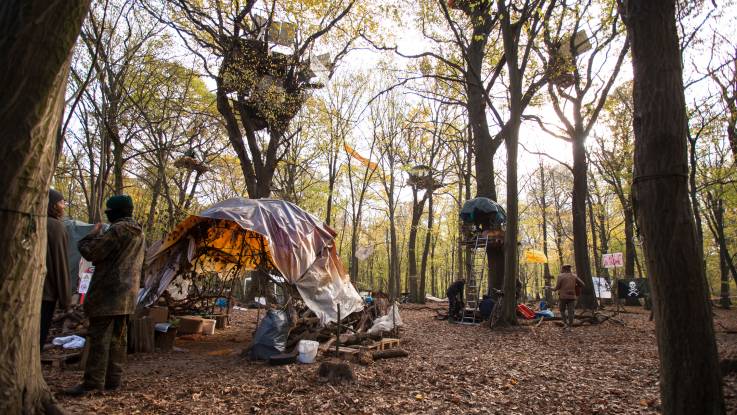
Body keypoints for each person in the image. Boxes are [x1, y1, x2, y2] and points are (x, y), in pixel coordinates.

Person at [65, 195, 145, 396]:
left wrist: (90, 236)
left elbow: (92, 253)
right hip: (127, 296)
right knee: (118, 340)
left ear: (116, 211)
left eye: (109, 209)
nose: (107, 212)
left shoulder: (117, 231)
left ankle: (92, 384)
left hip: (107, 295)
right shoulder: (139, 232)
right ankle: (113, 380)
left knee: (100, 340)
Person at [40, 189, 71, 349]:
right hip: (46, 294)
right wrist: (65, 298)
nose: (63, 206)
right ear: (52, 205)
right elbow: (60, 264)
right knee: (38, 336)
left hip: (26, 291)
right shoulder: (55, 227)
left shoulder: (31, 221)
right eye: (61, 202)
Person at [553, 264, 585, 330]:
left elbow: (556, 288)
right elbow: (582, 284)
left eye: (562, 269)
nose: (561, 270)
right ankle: (570, 326)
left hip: (563, 297)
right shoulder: (574, 276)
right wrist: (576, 286)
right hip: (572, 296)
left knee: (562, 310)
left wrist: (550, 288)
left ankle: (565, 323)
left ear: (564, 269)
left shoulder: (560, 276)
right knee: (571, 312)